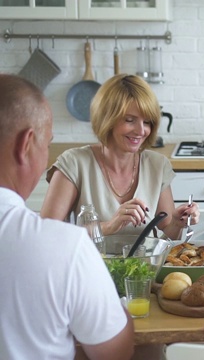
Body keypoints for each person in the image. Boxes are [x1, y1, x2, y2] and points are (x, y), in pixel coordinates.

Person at [0, 74, 134, 359]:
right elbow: (114, 352)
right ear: (26, 144)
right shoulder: (64, 246)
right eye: (46, 144)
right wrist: (118, 305)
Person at [40, 74, 199, 240]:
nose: (140, 131)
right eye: (130, 120)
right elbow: (47, 232)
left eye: (147, 122)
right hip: (88, 265)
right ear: (106, 119)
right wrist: (109, 226)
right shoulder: (74, 163)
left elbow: (167, 234)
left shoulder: (157, 165)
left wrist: (177, 222)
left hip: (145, 266)